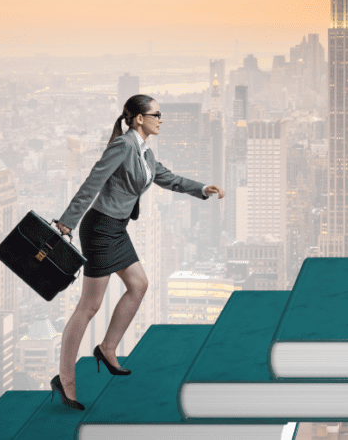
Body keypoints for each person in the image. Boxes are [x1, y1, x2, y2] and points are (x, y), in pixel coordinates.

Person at [49, 94, 224, 410]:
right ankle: (64, 379)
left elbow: (166, 178)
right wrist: (67, 222)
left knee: (139, 285)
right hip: (100, 228)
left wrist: (202, 188)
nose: (161, 119)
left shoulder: (145, 152)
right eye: (156, 114)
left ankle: (107, 348)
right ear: (139, 118)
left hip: (116, 229)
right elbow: (93, 182)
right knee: (89, 306)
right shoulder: (124, 146)